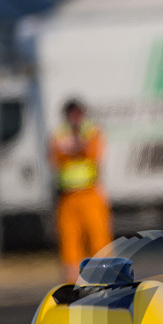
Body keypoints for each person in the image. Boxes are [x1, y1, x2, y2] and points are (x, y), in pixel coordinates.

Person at [49, 98, 111, 282]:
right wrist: (76, 148)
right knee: (69, 246)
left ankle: (105, 282)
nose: (75, 118)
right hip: (67, 197)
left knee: (99, 241)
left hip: (90, 193)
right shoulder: (59, 133)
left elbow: (92, 152)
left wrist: (72, 148)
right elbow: (55, 156)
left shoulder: (92, 131)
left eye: (78, 114)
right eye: (71, 114)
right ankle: (72, 284)